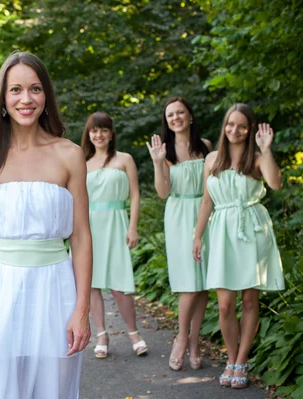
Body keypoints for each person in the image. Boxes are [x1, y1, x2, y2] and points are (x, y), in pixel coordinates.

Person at [0, 51, 92, 399]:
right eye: (15, 90)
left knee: (53, 388)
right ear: (3, 99)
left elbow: (82, 237)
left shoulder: (69, 154)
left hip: (55, 289)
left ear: (46, 97)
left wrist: (82, 308)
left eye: (34, 89)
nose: (25, 99)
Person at [193, 103, 284, 388]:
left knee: (249, 300)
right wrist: (197, 236)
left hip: (252, 229)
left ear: (250, 129)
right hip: (221, 231)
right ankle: (231, 358)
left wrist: (267, 150)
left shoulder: (256, 159)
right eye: (231, 124)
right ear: (224, 126)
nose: (235, 130)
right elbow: (207, 200)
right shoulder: (211, 160)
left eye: (242, 126)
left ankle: (241, 362)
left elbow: (276, 183)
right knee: (224, 304)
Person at [146, 96, 211, 370]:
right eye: (170, 114)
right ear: (167, 121)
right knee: (188, 283)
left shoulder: (206, 147)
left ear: (190, 116)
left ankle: (195, 341)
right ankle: (181, 338)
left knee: (204, 283)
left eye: (180, 112)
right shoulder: (165, 151)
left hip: (206, 212)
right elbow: (163, 193)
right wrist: (157, 162)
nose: (176, 118)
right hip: (179, 215)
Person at [81, 111, 147, 358]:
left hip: (117, 222)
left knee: (120, 286)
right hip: (89, 226)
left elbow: (135, 194)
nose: (99, 135)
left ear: (111, 134)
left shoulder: (124, 159)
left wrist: (133, 226)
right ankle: (101, 334)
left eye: (104, 130)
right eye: (94, 130)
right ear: (89, 134)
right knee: (92, 284)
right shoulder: (82, 163)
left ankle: (133, 333)